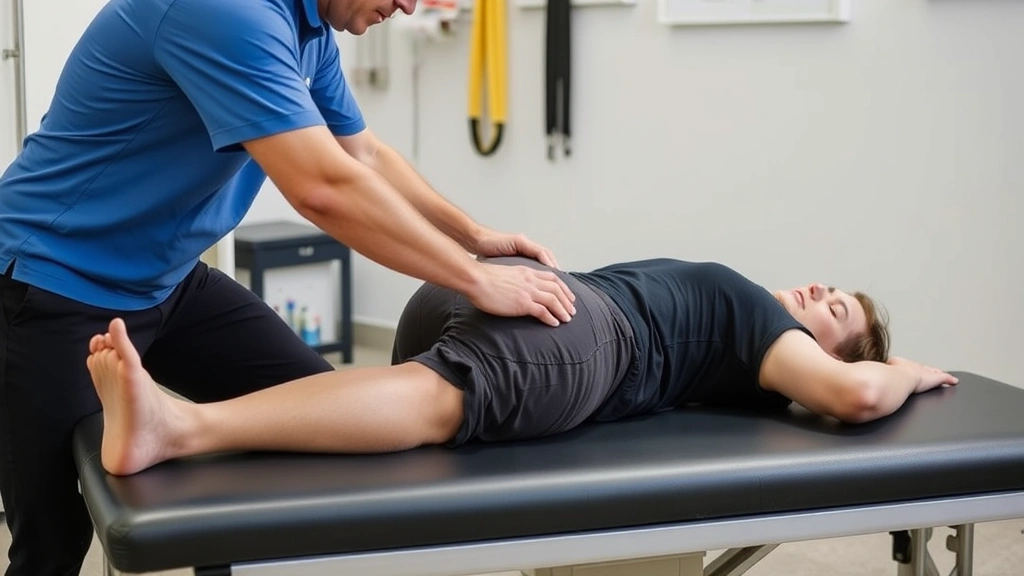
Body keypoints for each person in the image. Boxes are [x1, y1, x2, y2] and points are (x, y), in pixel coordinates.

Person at [0, 0, 575, 573]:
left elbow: (362, 154)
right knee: (50, 542)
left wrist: (475, 236)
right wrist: (475, 281)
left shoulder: (308, 28)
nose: (407, 5)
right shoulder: (225, 10)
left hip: (167, 281)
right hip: (53, 282)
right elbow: (322, 188)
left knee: (324, 421)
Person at [84, 256, 959, 478]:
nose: (820, 288)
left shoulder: (776, 342)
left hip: (587, 341)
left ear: (822, 345)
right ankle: (183, 421)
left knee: (434, 402)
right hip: (541, 302)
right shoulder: (752, 325)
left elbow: (855, 393)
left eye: (835, 308)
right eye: (833, 284)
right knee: (428, 395)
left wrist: (912, 369)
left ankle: (184, 425)